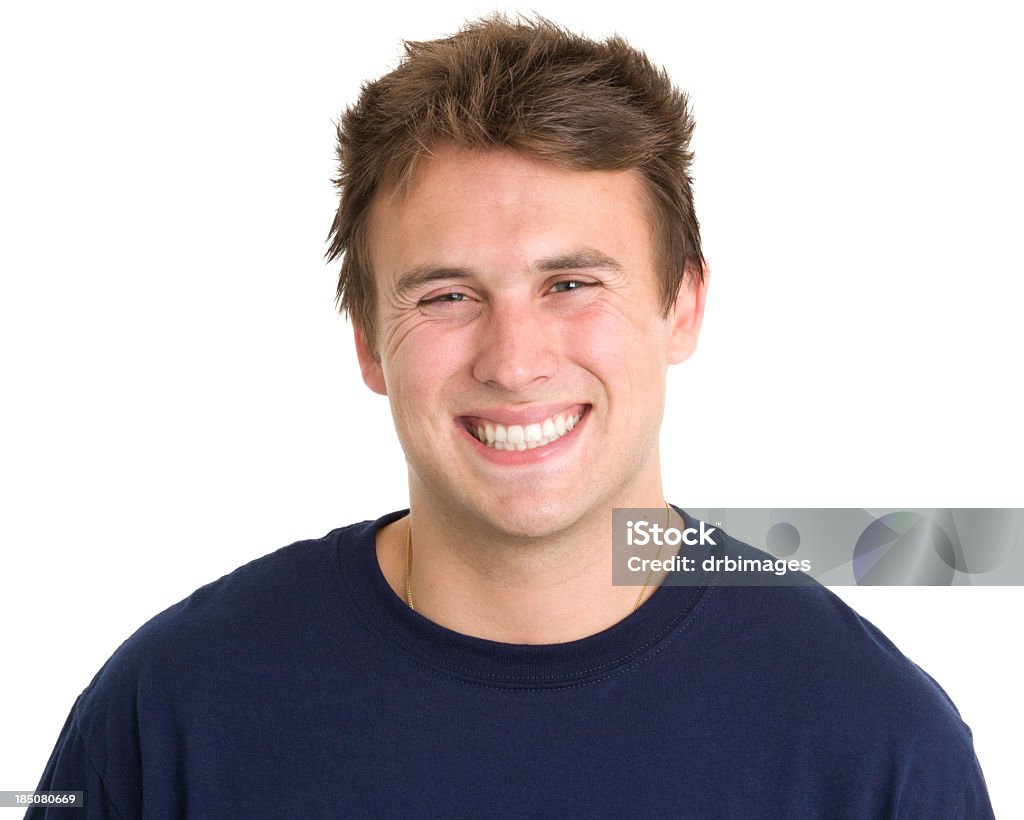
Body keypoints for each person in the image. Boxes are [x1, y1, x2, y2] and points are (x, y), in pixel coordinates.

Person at [29, 15, 994, 818]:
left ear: (683, 307)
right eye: (447, 296)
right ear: (368, 341)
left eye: (572, 283)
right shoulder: (171, 719)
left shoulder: (875, 750)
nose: (515, 361)